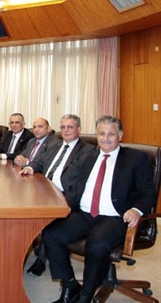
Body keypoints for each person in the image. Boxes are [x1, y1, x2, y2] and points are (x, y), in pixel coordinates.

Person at [42, 115, 156, 303]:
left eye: (111, 134)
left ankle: (85, 295)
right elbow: (76, 189)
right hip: (85, 213)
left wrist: (136, 210)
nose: (106, 138)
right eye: (102, 133)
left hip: (115, 216)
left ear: (120, 135)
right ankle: (70, 285)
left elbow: (148, 193)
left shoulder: (135, 158)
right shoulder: (88, 157)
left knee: (96, 245)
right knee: (51, 234)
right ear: (97, 135)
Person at [19, 114, 95, 276]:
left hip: (64, 195)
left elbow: (81, 183)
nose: (65, 130)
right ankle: (19, 253)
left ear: (79, 129)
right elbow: (39, 162)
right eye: (63, 127)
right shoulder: (55, 145)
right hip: (44, 190)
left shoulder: (88, 151)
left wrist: (64, 199)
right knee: (18, 207)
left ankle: (41, 260)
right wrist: (30, 167)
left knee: (45, 221)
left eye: (70, 127)